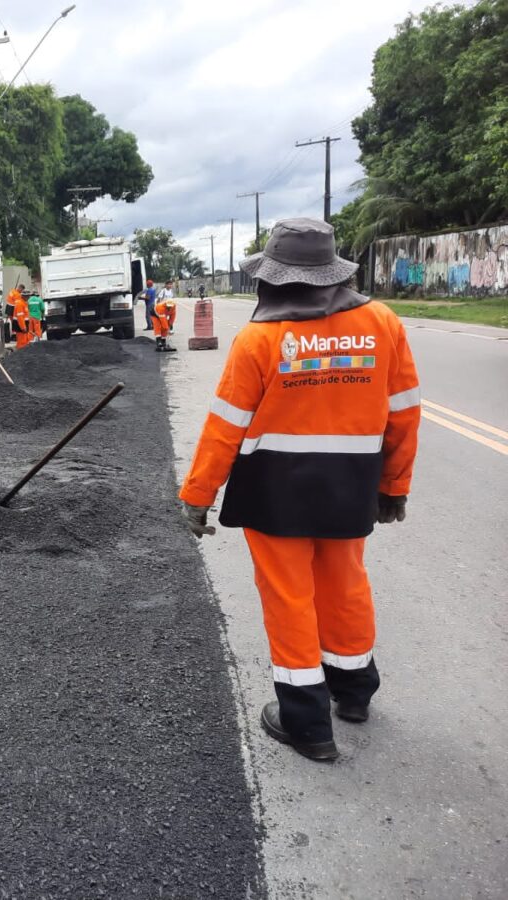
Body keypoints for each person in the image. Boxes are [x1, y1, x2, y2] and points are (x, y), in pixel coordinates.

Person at [179, 217, 421, 762]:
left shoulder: (260, 339)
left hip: (275, 491)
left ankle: (307, 725)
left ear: (273, 278)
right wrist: (393, 485)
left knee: (290, 599)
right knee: (346, 585)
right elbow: (404, 414)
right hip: (350, 486)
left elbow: (225, 427)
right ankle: (354, 695)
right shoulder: (382, 323)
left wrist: (197, 498)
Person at [10, 285, 31, 350]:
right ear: (24, 296)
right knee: (22, 342)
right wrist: (23, 327)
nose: (29, 297)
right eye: (28, 296)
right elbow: (20, 317)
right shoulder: (20, 303)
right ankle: (21, 353)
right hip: (20, 326)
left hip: (23, 325)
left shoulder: (24, 303)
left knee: (25, 341)